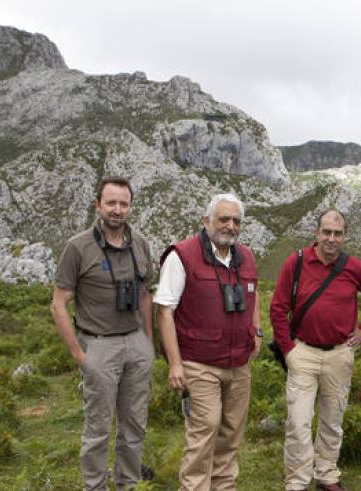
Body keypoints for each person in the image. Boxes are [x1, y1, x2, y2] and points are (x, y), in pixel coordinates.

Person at [269, 209, 361, 491]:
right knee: (298, 422)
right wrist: (288, 350)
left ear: (344, 236)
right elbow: (277, 308)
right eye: (326, 232)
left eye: (337, 233)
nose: (331, 238)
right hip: (303, 353)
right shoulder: (296, 262)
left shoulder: (355, 267)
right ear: (317, 233)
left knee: (333, 419)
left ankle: (326, 475)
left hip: (338, 354)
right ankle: (297, 481)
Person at [50, 176, 155, 491]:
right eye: (111, 203)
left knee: (135, 425)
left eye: (124, 204)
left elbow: (145, 295)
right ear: (98, 205)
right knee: (98, 427)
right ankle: (95, 486)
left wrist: (149, 342)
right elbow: (58, 305)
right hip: (97, 345)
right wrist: (78, 353)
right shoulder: (78, 247)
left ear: (130, 207)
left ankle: (128, 484)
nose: (117, 210)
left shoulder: (140, 243)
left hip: (136, 343)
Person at [154, 193, 261, 491]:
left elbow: (254, 295)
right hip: (198, 362)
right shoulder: (181, 255)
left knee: (231, 434)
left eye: (236, 221)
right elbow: (165, 311)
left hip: (239, 363)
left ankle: (224, 487)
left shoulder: (246, 257)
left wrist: (258, 331)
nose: (230, 226)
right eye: (223, 219)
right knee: (205, 430)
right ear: (206, 221)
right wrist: (175, 363)